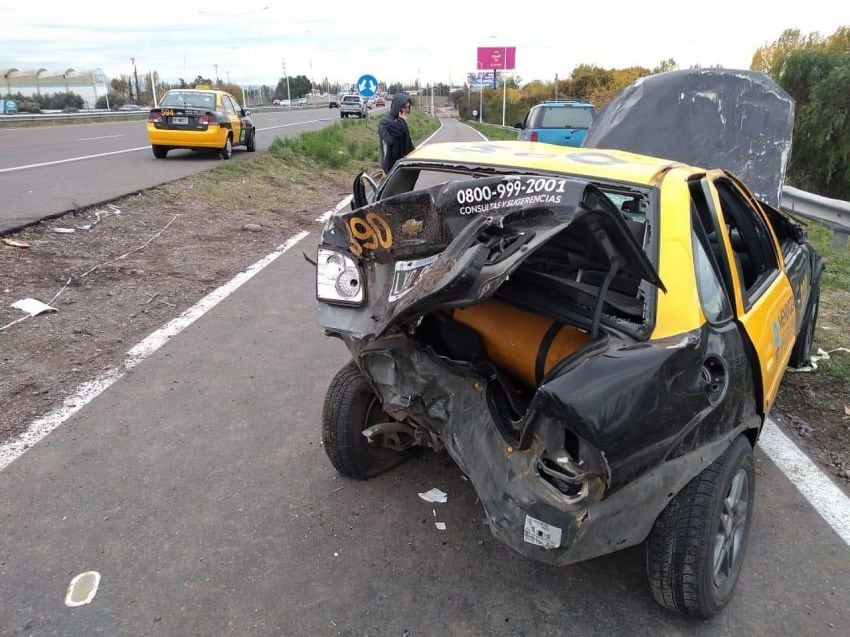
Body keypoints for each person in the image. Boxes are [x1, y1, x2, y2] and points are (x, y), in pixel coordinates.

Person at [378, 93, 415, 173]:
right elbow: (390, 141)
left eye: (408, 107)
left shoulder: (402, 122)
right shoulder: (384, 122)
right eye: (405, 107)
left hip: (403, 165)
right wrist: (401, 123)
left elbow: (409, 144)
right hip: (389, 167)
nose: (407, 110)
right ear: (397, 107)